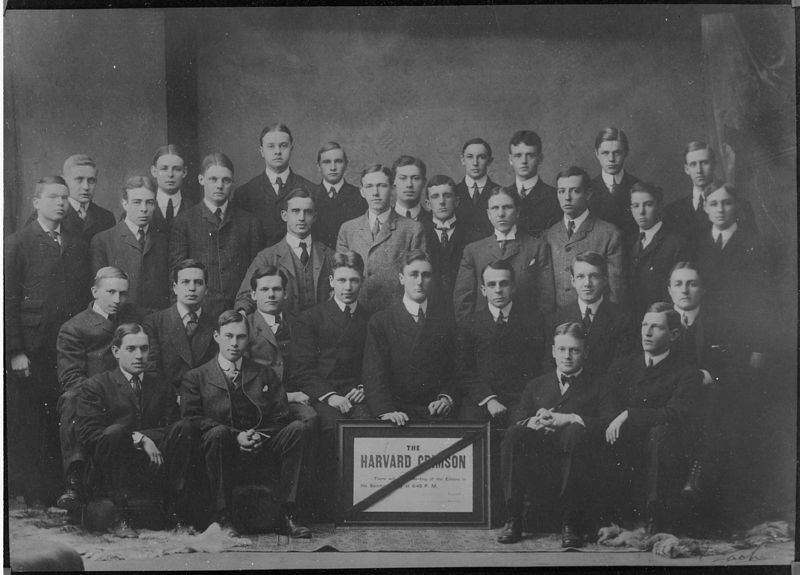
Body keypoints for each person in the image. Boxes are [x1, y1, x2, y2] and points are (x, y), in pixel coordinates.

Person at [178, 311, 312, 537]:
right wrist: (235, 436)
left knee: (297, 429)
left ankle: (288, 515)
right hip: (221, 448)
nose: (234, 343)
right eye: (228, 336)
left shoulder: (264, 373)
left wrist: (260, 435)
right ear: (216, 336)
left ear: (248, 339)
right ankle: (222, 518)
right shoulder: (196, 377)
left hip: (262, 445)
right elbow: (192, 418)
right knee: (217, 433)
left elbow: (280, 414)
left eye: (240, 337)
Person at [5, 176, 91, 504]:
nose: (60, 203)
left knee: (63, 415)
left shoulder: (76, 242)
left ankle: (61, 488)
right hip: (33, 349)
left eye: (64, 197)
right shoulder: (18, 242)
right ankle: (34, 492)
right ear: (36, 202)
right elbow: (8, 299)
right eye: (53, 197)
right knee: (31, 420)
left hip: (67, 347)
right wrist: (14, 351)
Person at [497, 322, 606, 547]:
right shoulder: (536, 385)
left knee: (575, 431)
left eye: (574, 350)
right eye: (562, 350)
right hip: (540, 463)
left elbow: (607, 421)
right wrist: (533, 422)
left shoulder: (599, 385)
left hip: (578, 459)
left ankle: (570, 523)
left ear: (586, 352)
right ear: (553, 351)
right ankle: (513, 518)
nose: (567, 356)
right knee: (514, 434)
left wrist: (570, 418)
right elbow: (517, 418)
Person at [599, 302, 702, 534]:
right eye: (645, 325)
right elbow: (607, 402)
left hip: (668, 441)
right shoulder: (622, 366)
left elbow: (674, 414)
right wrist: (616, 419)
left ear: (674, 334)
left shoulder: (686, 372)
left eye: (656, 327)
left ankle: (654, 518)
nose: (646, 332)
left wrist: (629, 414)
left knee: (659, 435)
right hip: (626, 439)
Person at [291, 251, 373, 519]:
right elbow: (304, 369)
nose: (348, 287)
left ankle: (362, 504)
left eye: (354, 280)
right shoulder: (311, 317)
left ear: (362, 281)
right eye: (341, 280)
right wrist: (330, 396)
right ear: (331, 281)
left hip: (358, 395)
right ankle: (328, 508)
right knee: (328, 430)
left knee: (366, 429)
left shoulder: (371, 319)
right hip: (324, 396)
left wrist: (364, 387)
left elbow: (375, 364)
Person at [74, 324, 181, 523]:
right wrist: (139, 438)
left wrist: (148, 438)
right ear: (116, 351)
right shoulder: (96, 386)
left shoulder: (161, 386)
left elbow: (173, 428)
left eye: (144, 348)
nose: (139, 355)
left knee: (184, 429)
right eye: (131, 349)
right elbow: (90, 435)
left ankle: (176, 510)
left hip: (151, 466)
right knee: (115, 432)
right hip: (110, 470)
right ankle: (118, 514)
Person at [55, 267, 141, 511]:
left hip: (130, 386)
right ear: (95, 291)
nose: (117, 300)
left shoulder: (132, 317)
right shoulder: (74, 327)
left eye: (123, 293)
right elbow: (71, 377)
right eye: (110, 292)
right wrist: (103, 393)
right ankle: (75, 481)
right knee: (71, 399)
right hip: (93, 394)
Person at [362, 250, 456, 425]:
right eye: (413, 274)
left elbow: (455, 368)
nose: (420, 281)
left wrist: (446, 398)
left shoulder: (446, 321)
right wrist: (385, 411)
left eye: (426, 275)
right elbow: (374, 373)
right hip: (396, 412)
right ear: (401, 278)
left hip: (436, 411)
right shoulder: (381, 321)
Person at [170, 153, 265, 311]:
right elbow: (175, 275)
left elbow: (257, 275)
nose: (219, 185)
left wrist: (245, 309)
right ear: (201, 180)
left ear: (232, 182)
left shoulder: (250, 222)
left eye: (226, 180)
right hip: (200, 313)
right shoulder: (184, 222)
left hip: (240, 312)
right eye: (213, 179)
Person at [455, 260, 546, 424]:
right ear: (483, 290)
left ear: (513, 287)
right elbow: (464, 372)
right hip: (481, 401)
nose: (498, 290)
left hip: (520, 401)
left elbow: (539, 367)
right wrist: (489, 399)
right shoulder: (469, 324)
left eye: (503, 284)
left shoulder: (534, 322)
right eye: (491, 285)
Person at [453, 187, 555, 323]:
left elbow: (546, 299)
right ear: (488, 214)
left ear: (518, 212)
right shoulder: (473, 251)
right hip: (483, 334)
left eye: (507, 207)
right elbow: (462, 301)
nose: (501, 214)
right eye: (495, 208)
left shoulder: (537, 247)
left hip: (526, 331)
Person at [336, 164, 427, 311]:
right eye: (369, 186)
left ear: (392, 189)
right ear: (362, 192)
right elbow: (339, 274)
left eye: (382, 186)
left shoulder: (412, 229)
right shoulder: (348, 229)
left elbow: (417, 278)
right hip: (356, 311)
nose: (375, 192)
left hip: (394, 313)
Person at [234, 188, 334, 316]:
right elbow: (245, 296)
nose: (302, 218)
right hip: (282, 332)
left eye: (307, 212)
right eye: (295, 211)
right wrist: (241, 314)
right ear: (284, 215)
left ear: (314, 217)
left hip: (321, 331)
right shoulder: (267, 257)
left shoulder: (330, 256)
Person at [244, 266, 318, 429]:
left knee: (310, 418)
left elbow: (309, 366)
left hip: (296, 400)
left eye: (276, 289)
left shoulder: (298, 324)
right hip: (258, 401)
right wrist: (288, 396)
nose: (271, 294)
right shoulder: (244, 326)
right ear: (253, 295)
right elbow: (244, 373)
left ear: (285, 293)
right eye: (264, 289)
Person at [542, 165, 625, 309]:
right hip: (557, 322)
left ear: (588, 194)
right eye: (561, 191)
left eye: (575, 191)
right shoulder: (549, 235)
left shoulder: (610, 234)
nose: (567, 197)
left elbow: (615, 292)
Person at [91, 175, 170, 312]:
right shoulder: (103, 240)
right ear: (125, 203)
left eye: (149, 202)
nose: (144, 208)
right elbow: (99, 292)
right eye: (137, 202)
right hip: (121, 321)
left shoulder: (164, 240)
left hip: (157, 319)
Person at [550, 252, 636, 379]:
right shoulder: (557, 319)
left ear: (605, 280)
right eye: (580, 277)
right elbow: (549, 367)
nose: (587, 283)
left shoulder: (622, 318)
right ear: (573, 281)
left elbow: (622, 365)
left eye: (594, 276)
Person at [232, 123, 315, 247]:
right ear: (262, 151)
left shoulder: (311, 189)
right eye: (271, 146)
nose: (277, 152)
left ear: (291, 148)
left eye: (283, 146)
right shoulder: (244, 193)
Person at [143, 260, 219, 391]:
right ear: (175, 288)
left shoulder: (215, 324)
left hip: (205, 398)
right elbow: (152, 369)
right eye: (185, 282)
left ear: (206, 290)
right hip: (167, 400)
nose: (192, 288)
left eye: (198, 282)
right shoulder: (154, 322)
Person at [663, 141, 757, 236]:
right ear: (686, 169)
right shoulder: (672, 211)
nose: (699, 170)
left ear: (714, 165)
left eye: (704, 163)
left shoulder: (740, 206)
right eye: (693, 164)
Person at [627, 182, 687, 320]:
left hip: (661, 320)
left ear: (659, 206)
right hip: (632, 321)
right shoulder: (628, 242)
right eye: (636, 206)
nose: (641, 211)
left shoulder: (676, 243)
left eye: (648, 205)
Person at [421, 175, 481, 314]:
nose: (442, 202)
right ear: (428, 204)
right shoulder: (418, 233)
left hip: (463, 310)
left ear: (456, 201)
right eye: (435, 196)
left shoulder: (473, 235)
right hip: (428, 311)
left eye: (447, 196)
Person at [25, 155, 116, 243]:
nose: (86, 187)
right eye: (79, 180)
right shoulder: (46, 215)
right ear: (65, 181)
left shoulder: (106, 218)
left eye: (91, 181)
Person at [503, 130, 560, 238]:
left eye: (530, 155)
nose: (524, 161)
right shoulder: (501, 196)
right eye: (518, 155)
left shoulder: (555, 197)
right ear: (510, 159)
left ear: (540, 159)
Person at [587, 127, 641, 238]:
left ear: (626, 153)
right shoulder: (587, 188)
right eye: (605, 153)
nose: (611, 159)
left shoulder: (638, 186)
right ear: (597, 154)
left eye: (617, 153)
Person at [312, 142, 366, 249]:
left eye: (338, 161)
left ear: (346, 165)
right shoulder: (309, 197)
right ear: (319, 166)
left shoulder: (360, 196)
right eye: (327, 162)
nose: (333, 167)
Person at [454, 137, 500, 238]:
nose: (475, 163)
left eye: (481, 157)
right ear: (463, 160)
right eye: (470, 157)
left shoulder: (501, 193)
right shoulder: (452, 192)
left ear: (489, 161)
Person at [149, 144, 194, 232]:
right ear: (154, 171)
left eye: (177, 169)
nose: (170, 174)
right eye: (164, 169)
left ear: (184, 172)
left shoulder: (194, 209)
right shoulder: (142, 207)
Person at [392, 155, 430, 223]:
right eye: (403, 178)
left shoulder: (434, 221)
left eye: (415, 178)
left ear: (424, 182)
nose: (409, 184)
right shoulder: (384, 220)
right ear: (393, 181)